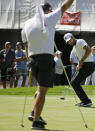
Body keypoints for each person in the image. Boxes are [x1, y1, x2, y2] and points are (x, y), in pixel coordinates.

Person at [21, 0, 74, 130]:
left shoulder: (27, 24)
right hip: (45, 58)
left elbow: (26, 45)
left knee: (39, 88)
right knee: (42, 91)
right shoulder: (49, 18)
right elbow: (64, 6)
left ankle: (34, 112)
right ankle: (36, 122)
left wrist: (29, 59)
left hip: (32, 59)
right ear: (48, 10)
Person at [64, 33, 95, 107]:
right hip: (84, 65)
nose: (69, 42)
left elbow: (89, 50)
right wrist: (79, 64)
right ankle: (85, 101)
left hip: (89, 65)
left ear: (73, 37)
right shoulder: (74, 48)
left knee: (74, 82)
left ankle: (86, 101)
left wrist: (82, 61)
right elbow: (79, 57)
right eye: (68, 42)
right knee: (74, 82)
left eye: (70, 40)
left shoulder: (80, 41)